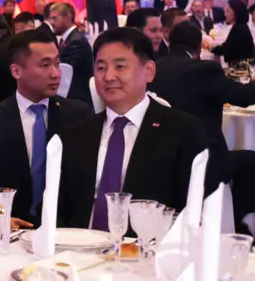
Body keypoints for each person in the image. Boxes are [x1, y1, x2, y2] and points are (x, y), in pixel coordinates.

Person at [57, 28, 207, 230]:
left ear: (149, 71)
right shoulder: (76, 134)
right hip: (78, 252)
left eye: (120, 67)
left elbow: (194, 210)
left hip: (147, 253)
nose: (108, 76)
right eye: (101, 68)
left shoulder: (183, 131)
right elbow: (58, 208)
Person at [0, 30, 92, 226]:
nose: (55, 73)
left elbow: (86, 183)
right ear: (17, 71)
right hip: (10, 228)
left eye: (57, 63)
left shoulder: (77, 115)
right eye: (45, 65)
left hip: (66, 230)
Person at [149, 21, 255, 190]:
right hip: (203, 160)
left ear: (170, 41)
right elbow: (242, 96)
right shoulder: (204, 70)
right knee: (251, 161)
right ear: (199, 47)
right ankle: (234, 214)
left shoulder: (154, 68)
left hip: (159, 158)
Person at [50, 3, 94, 107]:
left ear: (68, 16)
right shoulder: (70, 39)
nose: (52, 22)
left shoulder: (76, 41)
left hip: (77, 102)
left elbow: (64, 71)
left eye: (55, 18)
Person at [211, 0, 255, 64]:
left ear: (235, 12)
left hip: (240, 69)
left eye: (227, 11)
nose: (225, 14)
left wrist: (209, 46)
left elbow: (224, 49)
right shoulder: (241, 26)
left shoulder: (239, 28)